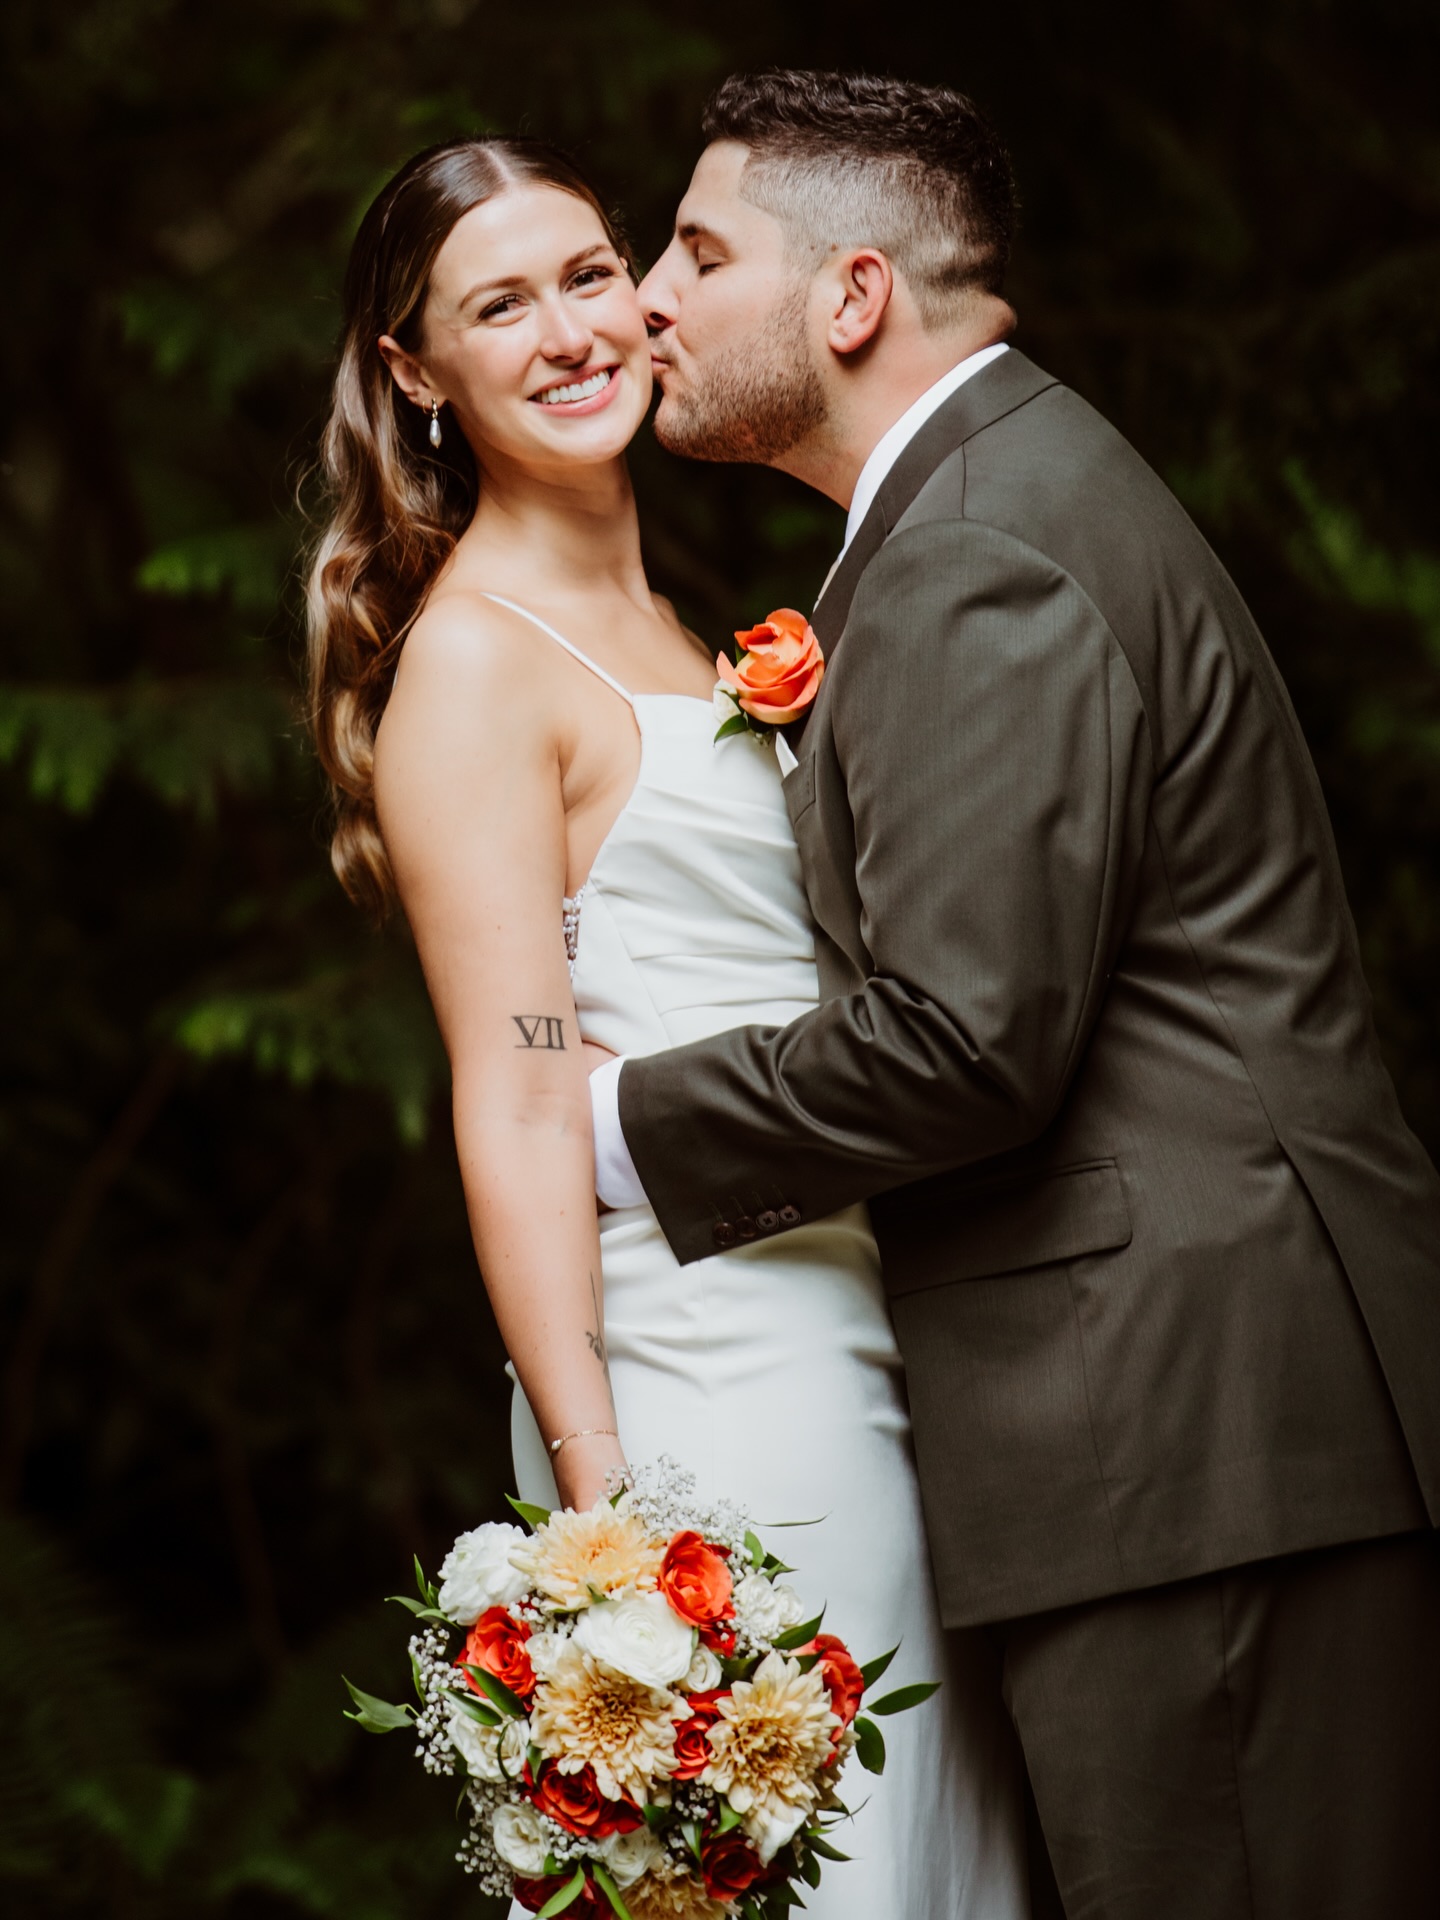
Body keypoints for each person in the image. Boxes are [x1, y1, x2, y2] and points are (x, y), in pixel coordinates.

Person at [587, 68, 1440, 1920]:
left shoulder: (978, 544)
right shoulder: (997, 494)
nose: (647, 295)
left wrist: (600, 1120)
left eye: (699, 251)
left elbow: (969, 1045)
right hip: (1197, 1439)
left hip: (1189, 1439)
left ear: (853, 296)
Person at [304, 136, 1029, 1918]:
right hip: (715, 1372)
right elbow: (525, 1101)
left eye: (588, 272)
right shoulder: (473, 668)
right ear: (419, 376)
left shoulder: (684, 628)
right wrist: (603, 1512)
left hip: (866, 1319)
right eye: (498, 304)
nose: (569, 329)